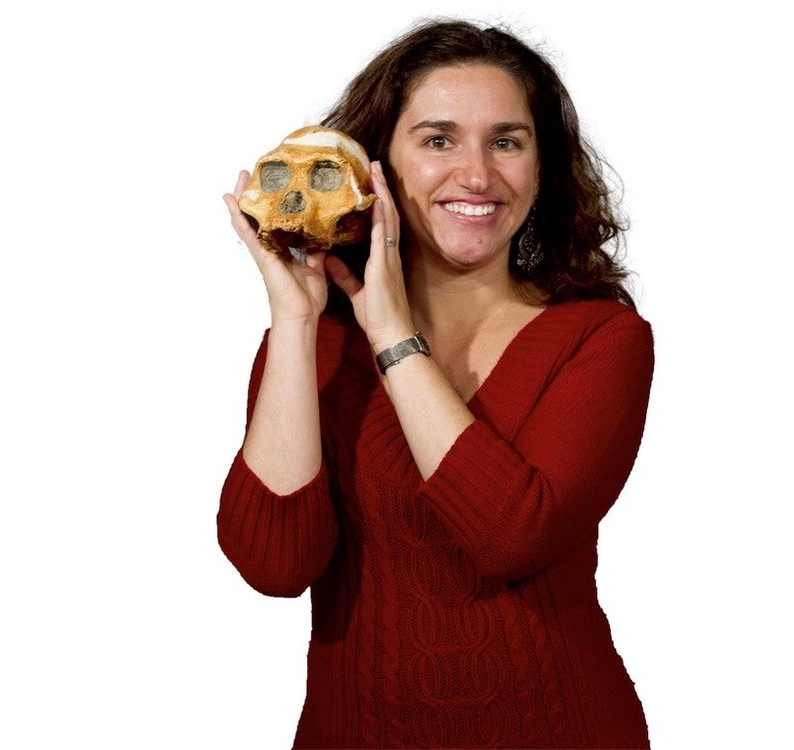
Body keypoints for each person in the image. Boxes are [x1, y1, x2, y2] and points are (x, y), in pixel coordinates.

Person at [217, 17, 655, 750]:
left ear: (543, 168)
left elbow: (511, 537)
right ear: (374, 165)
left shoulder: (599, 339)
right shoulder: (315, 347)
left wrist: (390, 332)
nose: (477, 176)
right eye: (439, 140)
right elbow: (274, 565)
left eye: (507, 142)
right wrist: (295, 323)